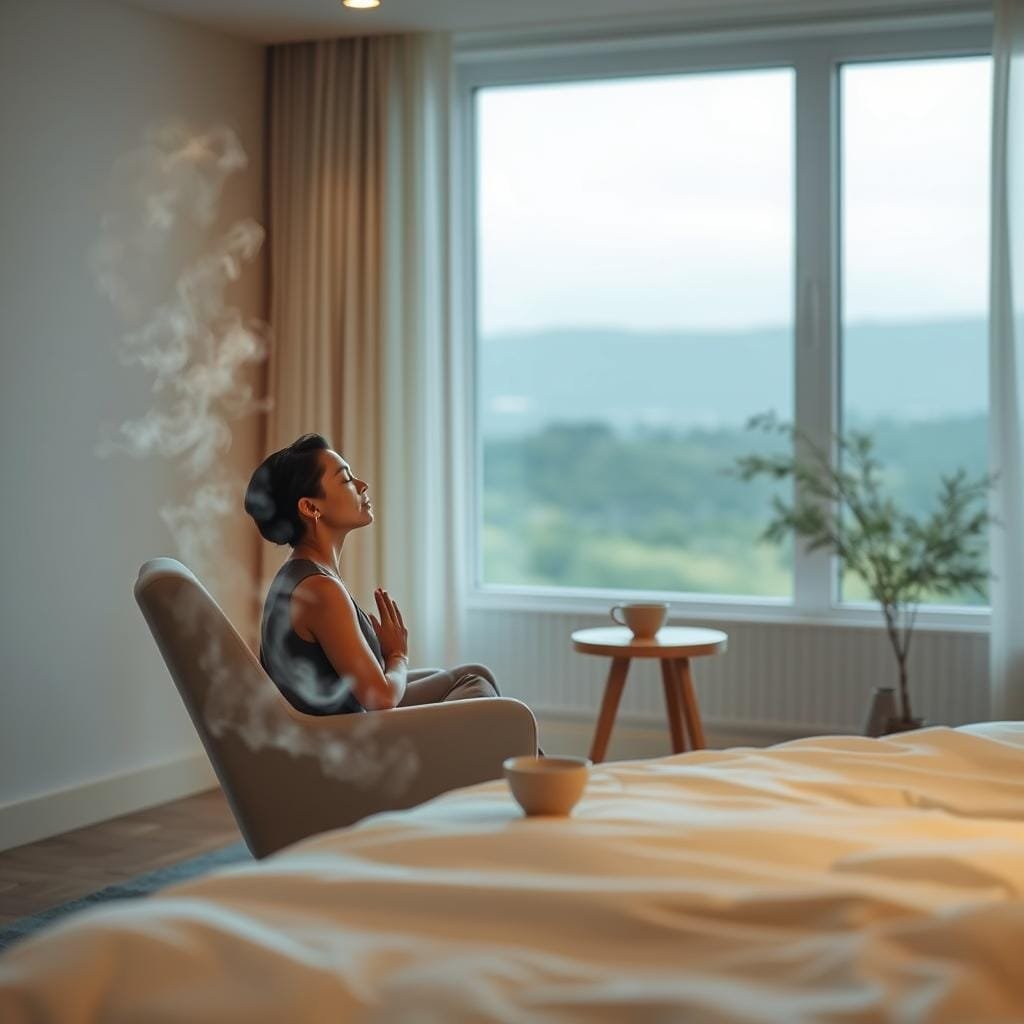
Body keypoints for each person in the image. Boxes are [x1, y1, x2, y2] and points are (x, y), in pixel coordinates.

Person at [244, 433, 502, 716]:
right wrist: (396, 654)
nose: (362, 485)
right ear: (310, 507)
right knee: (473, 684)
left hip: (346, 732)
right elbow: (380, 698)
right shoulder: (319, 588)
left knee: (474, 675)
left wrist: (383, 657)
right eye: (345, 479)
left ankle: (528, 761)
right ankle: (527, 762)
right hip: (342, 746)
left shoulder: (303, 574)